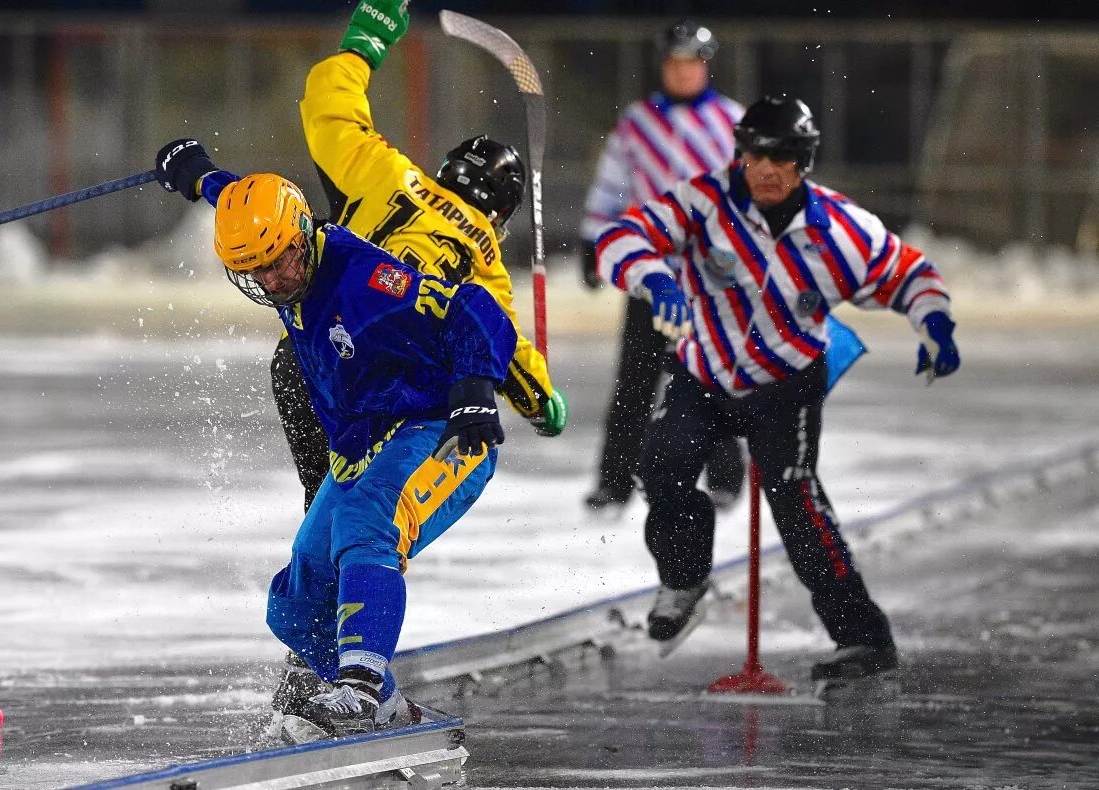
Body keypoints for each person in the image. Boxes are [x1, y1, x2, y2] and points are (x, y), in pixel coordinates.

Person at [154, 139, 517, 738]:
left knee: (367, 523)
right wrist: (199, 177)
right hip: (364, 445)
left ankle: (360, 690)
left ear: (302, 234)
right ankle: (393, 712)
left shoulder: (367, 281)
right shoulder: (279, 245)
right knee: (295, 603)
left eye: (280, 262)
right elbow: (242, 202)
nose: (273, 281)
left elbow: (473, 306)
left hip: (439, 432)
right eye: (256, 272)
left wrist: (477, 387)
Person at [594, 95, 961, 681]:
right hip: (704, 372)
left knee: (797, 503)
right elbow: (621, 238)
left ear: (805, 161)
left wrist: (934, 321)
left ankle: (864, 640)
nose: (766, 168)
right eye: (755, 154)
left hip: (787, 382)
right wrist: (654, 276)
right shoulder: (703, 202)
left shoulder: (841, 229)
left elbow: (908, 272)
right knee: (661, 467)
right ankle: (685, 577)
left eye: (783, 157)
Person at [268, 0, 564, 512]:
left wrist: (365, 43)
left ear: (446, 171)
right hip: (398, 395)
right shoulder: (483, 250)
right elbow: (501, 344)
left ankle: (323, 516)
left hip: (319, 355)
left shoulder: (387, 174)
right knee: (375, 503)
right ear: (503, 209)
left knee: (296, 367)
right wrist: (541, 400)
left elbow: (326, 103)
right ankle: (355, 539)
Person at [579, 19, 745, 513]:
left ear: (705, 66)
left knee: (711, 375)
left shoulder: (733, 122)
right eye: (674, 63)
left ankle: (726, 475)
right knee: (635, 380)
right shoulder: (637, 123)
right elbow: (612, 184)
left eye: (691, 63)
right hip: (649, 269)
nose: (682, 72)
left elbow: (749, 193)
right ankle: (614, 481)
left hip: (710, 273)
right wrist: (594, 240)